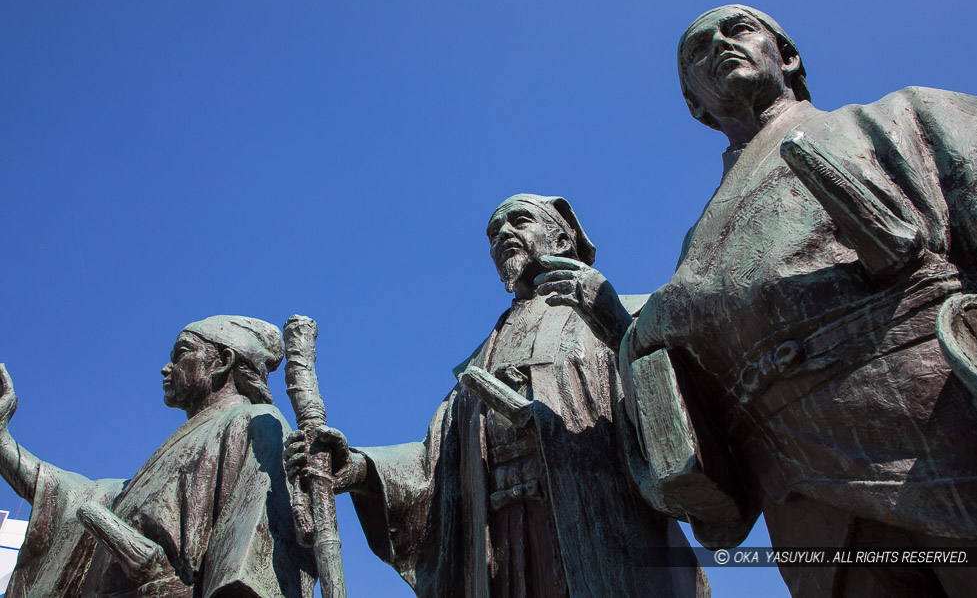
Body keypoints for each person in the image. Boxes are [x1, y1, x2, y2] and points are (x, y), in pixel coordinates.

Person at [621, 4, 977, 596]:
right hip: (807, 502)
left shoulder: (901, 117)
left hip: (944, 433)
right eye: (697, 51)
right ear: (696, 106)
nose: (718, 46)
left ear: (787, 55)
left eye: (737, 29)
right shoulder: (698, 243)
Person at [286, 194, 708, 598]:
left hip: (599, 533)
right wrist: (358, 467)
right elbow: (434, 465)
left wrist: (618, 331)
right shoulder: (480, 358)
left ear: (562, 239)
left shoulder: (625, 310)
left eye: (518, 220)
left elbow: (681, 414)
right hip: (498, 549)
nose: (502, 233)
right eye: (492, 232)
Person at [0, 316, 316, 598]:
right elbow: (67, 494)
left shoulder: (255, 423)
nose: (166, 368)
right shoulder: (159, 465)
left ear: (222, 361)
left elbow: (254, 562)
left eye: (180, 354)